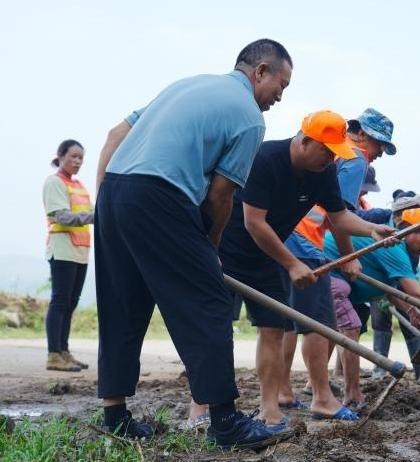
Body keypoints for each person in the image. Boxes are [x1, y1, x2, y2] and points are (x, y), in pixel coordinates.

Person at [93, 39, 294, 450]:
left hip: (115, 191)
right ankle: (225, 422)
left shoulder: (186, 85)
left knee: (122, 304)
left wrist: (106, 204)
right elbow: (220, 196)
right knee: (210, 302)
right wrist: (210, 251)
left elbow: (116, 134)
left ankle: (115, 415)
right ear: (260, 72)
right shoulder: (250, 118)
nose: (279, 96)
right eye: (281, 84)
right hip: (161, 196)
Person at [211, 110, 396, 426]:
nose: (329, 159)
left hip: (270, 252)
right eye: (325, 151)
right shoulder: (265, 158)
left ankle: (271, 409)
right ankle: (201, 407)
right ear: (305, 140)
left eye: (332, 153)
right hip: (230, 249)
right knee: (214, 329)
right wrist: (293, 263)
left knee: (273, 328)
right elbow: (253, 222)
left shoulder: (323, 171)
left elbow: (339, 217)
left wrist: (371, 230)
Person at [280, 109, 398, 404]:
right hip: (307, 240)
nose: (380, 153)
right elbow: (338, 217)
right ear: (361, 134)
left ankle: (284, 390)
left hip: (286, 234)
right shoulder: (355, 158)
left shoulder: (329, 151)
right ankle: (325, 396)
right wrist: (348, 257)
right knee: (318, 322)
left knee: (288, 320)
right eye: (379, 144)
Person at [324, 208, 420, 406]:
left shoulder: (400, 252)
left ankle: (316, 385)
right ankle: (352, 395)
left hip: (335, 275)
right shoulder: (395, 248)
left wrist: (410, 310)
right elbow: (416, 294)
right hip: (325, 267)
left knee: (333, 330)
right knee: (350, 328)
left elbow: (390, 290)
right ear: (411, 231)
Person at [42, 139, 94, 372]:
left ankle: (64, 351)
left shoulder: (79, 185)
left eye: (81, 158)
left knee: (71, 303)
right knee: (60, 301)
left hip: (80, 250)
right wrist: (95, 216)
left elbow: (90, 213)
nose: (77, 161)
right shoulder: (54, 183)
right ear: (60, 156)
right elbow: (61, 216)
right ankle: (53, 354)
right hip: (62, 249)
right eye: (73, 156)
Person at [369, 189, 420, 381]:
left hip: (403, 280)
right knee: (380, 320)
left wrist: (410, 303)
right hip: (379, 279)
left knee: (412, 319)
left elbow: (410, 271)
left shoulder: (416, 236)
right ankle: (380, 369)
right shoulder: (381, 226)